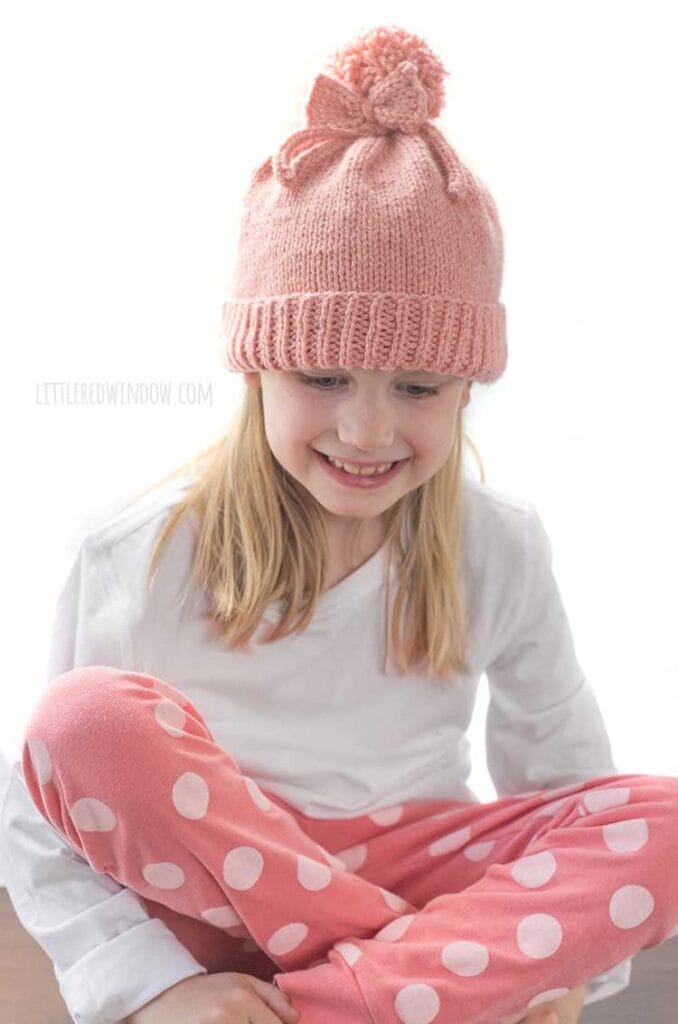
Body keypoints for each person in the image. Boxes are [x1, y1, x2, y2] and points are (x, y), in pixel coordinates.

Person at [2, 22, 678, 1024]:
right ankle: (406, 983)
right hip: (219, 900)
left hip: (428, 872)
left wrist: (566, 968)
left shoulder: (501, 546)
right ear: (257, 367)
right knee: (79, 720)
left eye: (417, 386)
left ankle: (338, 997)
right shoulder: (137, 554)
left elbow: (564, 778)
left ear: (464, 387)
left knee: (664, 821)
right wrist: (153, 992)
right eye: (323, 376)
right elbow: (40, 824)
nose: (369, 429)